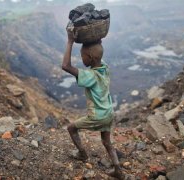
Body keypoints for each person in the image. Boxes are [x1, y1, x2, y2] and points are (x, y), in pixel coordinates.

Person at [61, 32, 123, 179]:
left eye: (82, 56)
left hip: (98, 116)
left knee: (71, 128)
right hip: (109, 113)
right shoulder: (104, 69)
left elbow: (65, 65)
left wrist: (70, 41)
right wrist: (97, 40)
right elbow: (98, 54)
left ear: (90, 58)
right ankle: (118, 170)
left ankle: (82, 154)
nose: (81, 58)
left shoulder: (90, 76)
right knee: (106, 142)